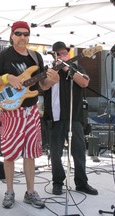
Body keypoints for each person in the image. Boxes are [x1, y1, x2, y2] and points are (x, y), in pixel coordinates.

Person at [0, 21, 59, 209]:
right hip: (10, 111)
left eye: (26, 34)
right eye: (18, 34)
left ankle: (30, 192)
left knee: (30, 152)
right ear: (11, 35)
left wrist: (52, 81)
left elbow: (40, 85)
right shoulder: (4, 56)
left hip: (31, 110)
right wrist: (6, 77)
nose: (22, 37)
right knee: (9, 154)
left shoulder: (36, 57)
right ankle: (9, 191)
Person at [42, 41, 98, 196]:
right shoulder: (48, 70)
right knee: (55, 153)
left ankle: (81, 183)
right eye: (59, 54)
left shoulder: (76, 69)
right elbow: (43, 86)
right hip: (55, 118)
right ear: (54, 56)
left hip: (75, 118)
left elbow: (85, 82)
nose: (63, 56)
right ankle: (58, 182)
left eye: (65, 53)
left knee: (79, 151)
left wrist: (69, 70)